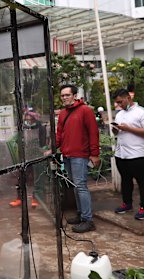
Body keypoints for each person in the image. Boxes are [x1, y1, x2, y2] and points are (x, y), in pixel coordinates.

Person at [56, 84, 100, 233]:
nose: (64, 98)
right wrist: (53, 147)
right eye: (62, 95)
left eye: (67, 95)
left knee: (81, 186)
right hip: (67, 155)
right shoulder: (62, 113)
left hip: (80, 156)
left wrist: (94, 154)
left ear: (75, 96)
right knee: (76, 186)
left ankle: (88, 220)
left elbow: (94, 133)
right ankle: (81, 215)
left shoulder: (85, 111)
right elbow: (59, 134)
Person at [112, 88, 144, 220]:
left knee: (142, 181)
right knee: (125, 180)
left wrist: (128, 128)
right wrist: (116, 130)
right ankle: (127, 203)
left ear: (128, 98)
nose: (119, 105)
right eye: (117, 103)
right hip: (122, 153)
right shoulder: (119, 114)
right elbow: (118, 133)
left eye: (120, 102)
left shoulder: (142, 113)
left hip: (138, 154)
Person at [8, 107, 47, 209]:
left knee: (37, 178)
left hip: (37, 156)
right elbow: (17, 141)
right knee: (21, 178)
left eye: (30, 116)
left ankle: (36, 199)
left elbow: (43, 143)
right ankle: (19, 199)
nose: (28, 118)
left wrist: (42, 150)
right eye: (27, 116)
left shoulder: (41, 127)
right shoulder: (22, 127)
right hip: (25, 156)